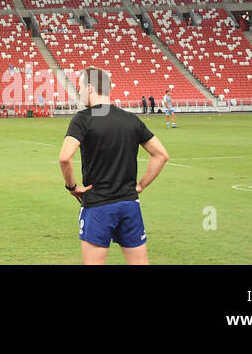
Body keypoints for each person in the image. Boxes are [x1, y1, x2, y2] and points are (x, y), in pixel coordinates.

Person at [59, 68, 169, 265]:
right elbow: (161, 155)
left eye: (81, 88)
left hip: (98, 205)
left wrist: (72, 187)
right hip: (129, 204)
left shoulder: (83, 119)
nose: (80, 92)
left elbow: (65, 158)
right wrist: (141, 186)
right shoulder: (131, 119)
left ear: (90, 88)